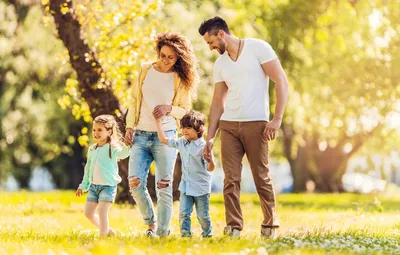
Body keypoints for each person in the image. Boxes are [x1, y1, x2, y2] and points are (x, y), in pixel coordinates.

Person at [198, 16, 289, 238]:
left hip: (256, 123)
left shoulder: (258, 48)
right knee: (231, 178)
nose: (210, 48)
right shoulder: (221, 64)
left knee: (261, 176)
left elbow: (281, 80)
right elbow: (218, 101)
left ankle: (270, 224)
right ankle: (234, 227)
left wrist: (276, 119)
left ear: (221, 34)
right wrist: (210, 137)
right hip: (229, 126)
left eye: (210, 42)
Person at [124, 32, 199, 237]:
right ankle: (151, 223)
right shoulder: (145, 69)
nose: (165, 60)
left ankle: (163, 233)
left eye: (171, 57)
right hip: (140, 134)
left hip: (165, 137)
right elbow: (133, 100)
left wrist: (169, 108)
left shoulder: (179, 78)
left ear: (178, 58)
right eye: (163, 55)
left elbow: (185, 110)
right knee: (134, 182)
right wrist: (129, 127)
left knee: (164, 186)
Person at [154, 111, 215, 238]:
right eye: (182, 127)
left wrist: (210, 160)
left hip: (201, 188)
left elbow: (210, 168)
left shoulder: (204, 146)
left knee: (203, 216)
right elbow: (163, 139)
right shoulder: (182, 142)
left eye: (188, 128)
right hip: (186, 187)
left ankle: (207, 235)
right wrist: (158, 121)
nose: (184, 130)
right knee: (183, 214)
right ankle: (186, 236)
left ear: (199, 129)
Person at [76, 114, 130, 237]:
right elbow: (88, 169)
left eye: (100, 130)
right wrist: (83, 186)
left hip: (108, 187)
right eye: (94, 130)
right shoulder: (92, 149)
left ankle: (102, 238)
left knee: (102, 212)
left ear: (109, 131)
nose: (96, 133)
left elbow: (123, 154)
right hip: (94, 187)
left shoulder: (112, 148)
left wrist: (128, 144)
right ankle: (108, 231)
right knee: (88, 213)